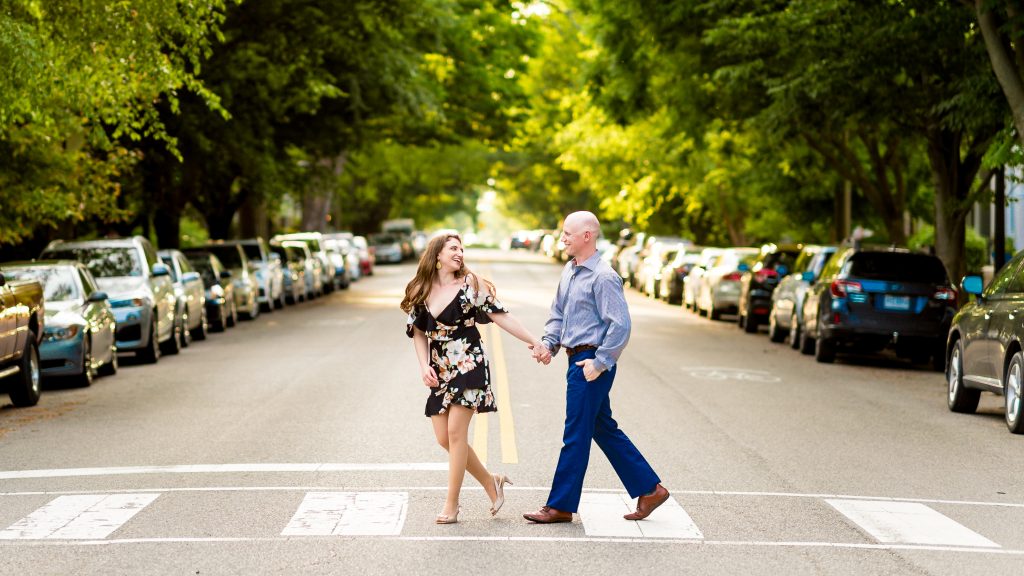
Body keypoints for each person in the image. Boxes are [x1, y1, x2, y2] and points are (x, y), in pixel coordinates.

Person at [524, 211, 669, 524]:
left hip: (590, 362)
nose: (562, 238)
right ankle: (650, 489)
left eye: (567, 233)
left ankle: (560, 506)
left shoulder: (604, 276)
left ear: (587, 236)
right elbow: (558, 314)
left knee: (575, 433)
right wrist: (549, 346)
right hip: (575, 358)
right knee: (602, 427)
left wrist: (600, 363)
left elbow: (621, 325)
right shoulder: (570, 270)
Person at [402, 233, 545, 524]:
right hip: (440, 366)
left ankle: (451, 505)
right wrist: (423, 366)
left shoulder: (470, 286)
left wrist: (533, 341)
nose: (459, 253)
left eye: (461, 249)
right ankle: (491, 482)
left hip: (469, 362)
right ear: (437, 255)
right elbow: (417, 331)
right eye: (453, 248)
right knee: (444, 438)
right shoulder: (420, 289)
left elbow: (501, 316)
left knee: (456, 434)